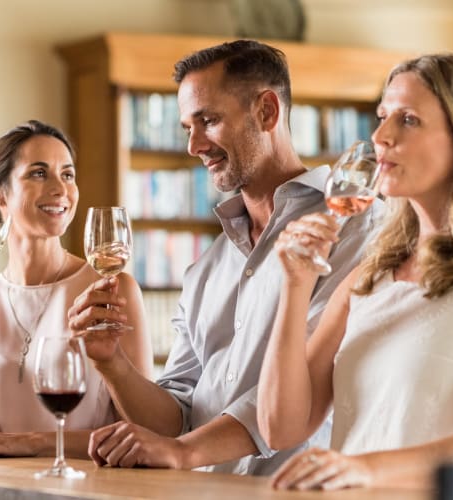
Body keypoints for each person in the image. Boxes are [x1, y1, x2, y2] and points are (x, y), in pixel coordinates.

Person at [257, 53, 453, 498]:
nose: (381, 136)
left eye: (408, 120)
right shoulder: (371, 273)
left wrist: (361, 469)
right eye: (382, 117)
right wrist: (295, 287)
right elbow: (280, 428)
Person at [68, 40, 380, 475]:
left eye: (208, 120)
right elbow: (177, 421)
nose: (194, 145)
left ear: (267, 112)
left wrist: (184, 452)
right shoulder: (205, 268)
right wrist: (111, 363)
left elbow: (307, 380)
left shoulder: (353, 227)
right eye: (186, 128)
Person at [0, 120, 152, 458]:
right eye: (39, 173)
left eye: (68, 175)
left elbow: (141, 432)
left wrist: (31, 442)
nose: (60, 189)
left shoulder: (111, 291)